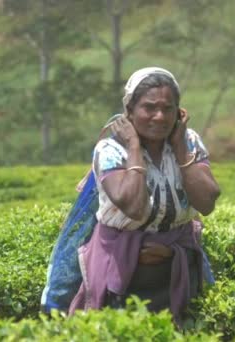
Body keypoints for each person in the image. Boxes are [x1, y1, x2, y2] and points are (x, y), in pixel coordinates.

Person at [68, 67, 221, 324]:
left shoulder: (190, 141)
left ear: (179, 113)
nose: (159, 117)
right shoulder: (111, 150)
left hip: (176, 269)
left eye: (168, 108)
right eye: (149, 107)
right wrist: (135, 147)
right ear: (129, 110)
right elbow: (135, 206)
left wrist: (180, 148)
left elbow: (206, 202)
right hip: (121, 268)